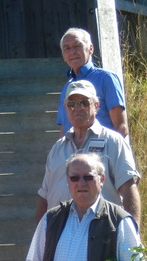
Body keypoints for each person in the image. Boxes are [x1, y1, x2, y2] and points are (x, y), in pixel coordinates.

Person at [37, 80, 141, 225]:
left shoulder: (114, 142)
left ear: (96, 106)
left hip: (102, 233)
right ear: (65, 108)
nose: (77, 108)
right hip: (61, 234)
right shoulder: (57, 149)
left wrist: (133, 234)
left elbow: (129, 189)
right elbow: (44, 197)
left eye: (84, 103)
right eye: (72, 104)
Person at [57, 28, 128, 137]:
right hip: (72, 152)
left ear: (91, 49)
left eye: (77, 46)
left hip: (101, 151)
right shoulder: (66, 88)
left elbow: (121, 127)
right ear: (63, 55)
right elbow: (64, 128)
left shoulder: (106, 79)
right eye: (67, 48)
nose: (72, 52)